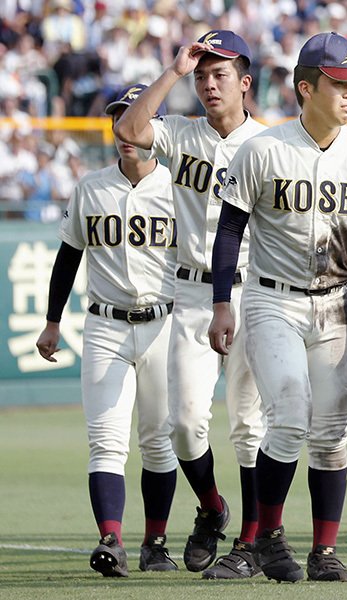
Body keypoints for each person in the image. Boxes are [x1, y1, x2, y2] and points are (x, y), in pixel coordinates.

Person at [207, 31, 347, 583]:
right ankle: (265, 539)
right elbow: (230, 228)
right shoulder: (263, 148)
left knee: (329, 435)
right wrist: (220, 304)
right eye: (340, 84)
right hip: (271, 299)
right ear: (306, 88)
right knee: (287, 414)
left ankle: (323, 550)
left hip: (335, 304)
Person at [114, 30, 267, 579]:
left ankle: (250, 540)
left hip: (253, 289)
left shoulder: (268, 143)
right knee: (183, 423)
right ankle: (211, 507)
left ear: (244, 84)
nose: (208, 83)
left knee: (249, 424)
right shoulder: (181, 134)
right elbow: (129, 128)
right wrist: (174, 71)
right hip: (194, 289)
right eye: (203, 75)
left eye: (219, 73)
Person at [35, 84, 179, 577]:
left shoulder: (179, 186)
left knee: (159, 441)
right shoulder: (91, 186)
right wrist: (53, 321)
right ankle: (111, 539)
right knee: (106, 440)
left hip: (164, 322)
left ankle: (155, 542)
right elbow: (68, 256)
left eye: (134, 117)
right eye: (119, 118)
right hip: (105, 325)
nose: (126, 129)